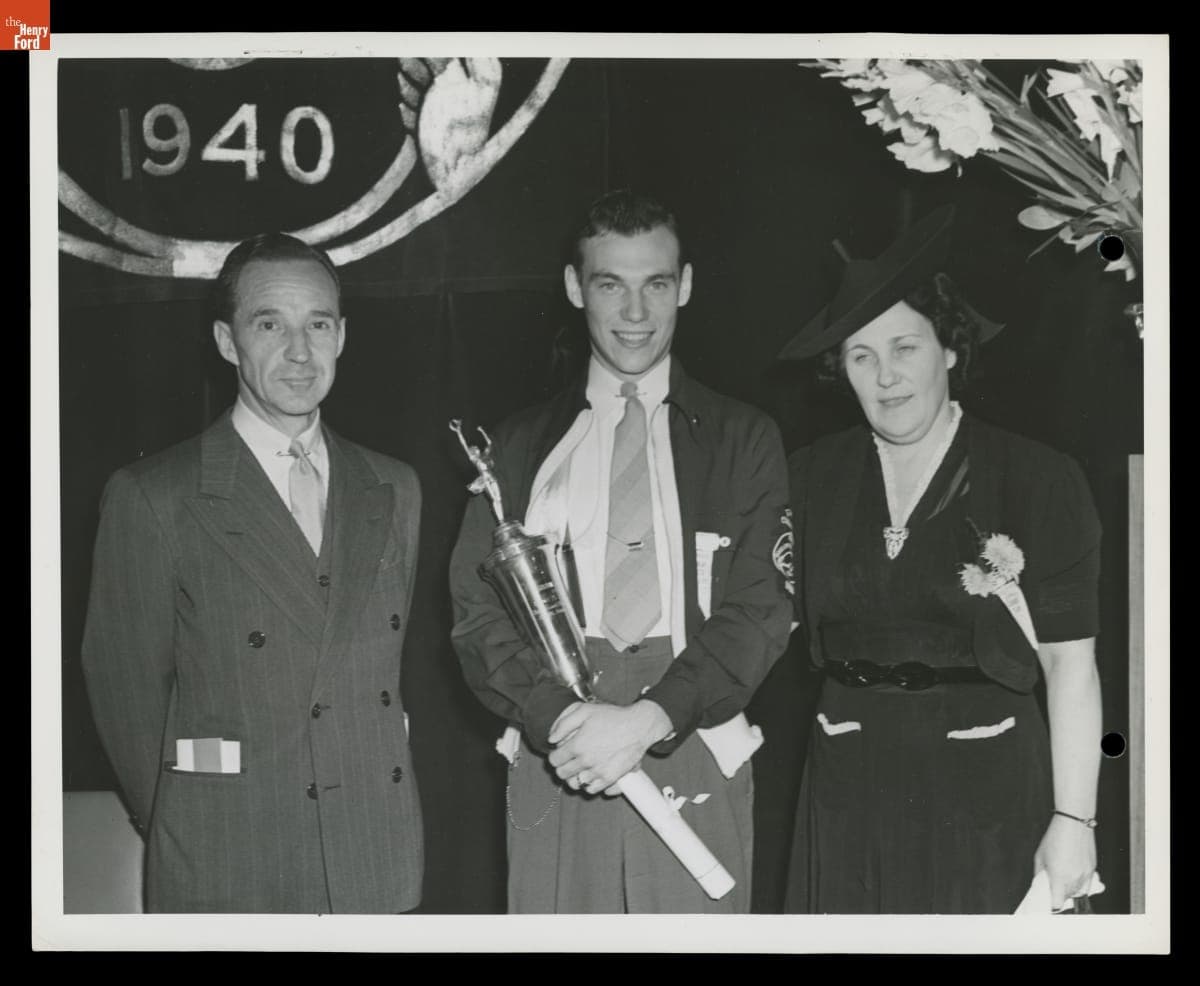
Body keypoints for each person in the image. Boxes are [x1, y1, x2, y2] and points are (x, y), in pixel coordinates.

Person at [449, 190, 793, 913]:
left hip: (693, 727)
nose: (635, 313)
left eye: (656, 284)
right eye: (611, 284)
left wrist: (650, 718)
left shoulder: (743, 438)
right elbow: (477, 617)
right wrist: (557, 719)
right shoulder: (517, 446)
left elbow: (762, 606)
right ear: (576, 288)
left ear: (686, 285)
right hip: (560, 748)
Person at [81, 233, 424, 913]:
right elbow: (126, 700)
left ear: (342, 335)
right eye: (270, 324)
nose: (300, 352)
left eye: (318, 324)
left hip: (374, 860)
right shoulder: (156, 496)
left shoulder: (395, 487)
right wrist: (199, 820)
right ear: (226, 339)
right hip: (231, 863)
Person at [777, 205, 1103, 914]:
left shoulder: (1036, 478)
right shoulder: (807, 478)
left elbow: (1069, 664)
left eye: (906, 349)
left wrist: (1075, 821)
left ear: (950, 349)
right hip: (846, 784)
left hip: (985, 790)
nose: (886, 376)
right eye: (862, 356)